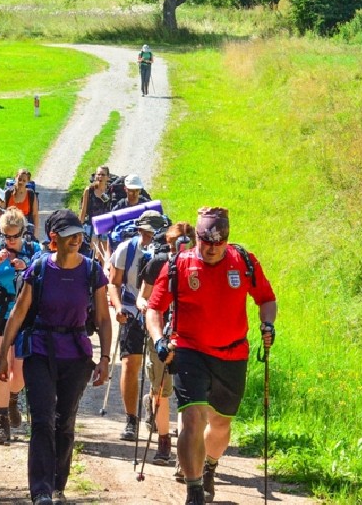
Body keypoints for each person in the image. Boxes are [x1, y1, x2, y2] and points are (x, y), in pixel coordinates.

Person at [145, 207, 277, 505]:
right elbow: (154, 308)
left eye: (220, 242)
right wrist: (159, 339)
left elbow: (266, 299)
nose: (213, 248)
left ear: (227, 239)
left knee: (220, 423)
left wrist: (267, 323)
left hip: (233, 353)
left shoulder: (244, 262)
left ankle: (209, 466)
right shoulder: (180, 264)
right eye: (206, 241)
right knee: (192, 417)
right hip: (189, 349)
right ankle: (194, 490)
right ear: (197, 237)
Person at [0, 209, 112, 505]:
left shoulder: (92, 271)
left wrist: (105, 358)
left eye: (78, 235)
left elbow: (102, 317)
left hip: (76, 356)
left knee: (65, 421)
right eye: (69, 235)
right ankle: (41, 491)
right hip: (40, 352)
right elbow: (18, 313)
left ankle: (59, 484)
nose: (76, 240)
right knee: (42, 420)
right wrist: (4, 355)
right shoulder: (39, 269)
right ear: (54, 238)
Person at [0, 207, 41, 445]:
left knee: (18, 374)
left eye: (14, 236)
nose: (10, 241)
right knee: (1, 368)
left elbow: (44, 279)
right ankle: (2, 423)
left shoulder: (34, 250)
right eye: (6, 236)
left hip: (23, 315)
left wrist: (27, 267)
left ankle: (13, 397)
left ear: (23, 232)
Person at [136, 222, 196, 467]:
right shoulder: (158, 263)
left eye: (182, 245)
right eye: (173, 245)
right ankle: (163, 441)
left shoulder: (201, 267)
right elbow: (143, 296)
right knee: (161, 390)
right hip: (161, 335)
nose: (176, 250)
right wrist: (145, 306)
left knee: (187, 395)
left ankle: (184, 452)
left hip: (190, 338)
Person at [108, 209, 168, 441]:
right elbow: (114, 282)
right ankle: (131, 420)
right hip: (132, 311)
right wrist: (118, 307)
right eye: (148, 232)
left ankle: (153, 404)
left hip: (160, 314)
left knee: (159, 367)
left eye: (155, 232)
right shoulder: (126, 249)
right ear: (140, 230)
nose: (151, 236)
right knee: (130, 363)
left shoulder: (167, 253)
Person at [78, 165, 112, 262]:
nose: (100, 177)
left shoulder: (110, 191)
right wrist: (79, 227)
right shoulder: (89, 190)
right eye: (98, 174)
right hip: (92, 225)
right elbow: (83, 210)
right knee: (92, 252)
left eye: (103, 175)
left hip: (105, 226)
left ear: (108, 177)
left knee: (104, 253)